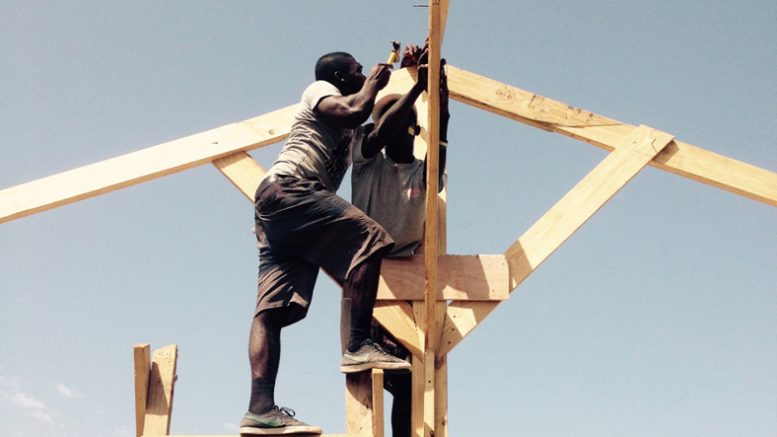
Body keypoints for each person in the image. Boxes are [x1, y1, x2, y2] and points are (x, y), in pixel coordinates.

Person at [240, 51, 416, 436]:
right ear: (339, 76)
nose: (361, 72)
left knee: (275, 310)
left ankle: (260, 409)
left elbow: (381, 130)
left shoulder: (352, 132)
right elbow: (354, 110)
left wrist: (415, 83)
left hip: (282, 215)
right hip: (290, 190)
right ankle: (359, 344)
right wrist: (373, 82)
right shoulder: (319, 91)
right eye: (355, 69)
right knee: (370, 237)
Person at [346, 43, 450, 437]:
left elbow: (442, 126)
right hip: (368, 283)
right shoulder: (367, 160)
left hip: (407, 284)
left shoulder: (426, 173)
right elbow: (385, 127)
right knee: (367, 377)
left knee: (408, 379)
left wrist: (435, 83)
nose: (394, 131)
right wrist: (416, 85)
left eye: (405, 123)